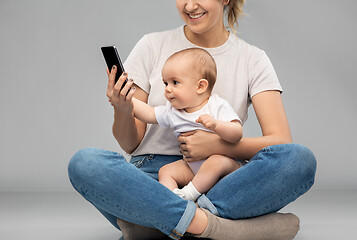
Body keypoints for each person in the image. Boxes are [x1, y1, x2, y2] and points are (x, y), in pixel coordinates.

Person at [68, 0, 317, 240]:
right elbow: (130, 143)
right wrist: (122, 109)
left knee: (299, 160)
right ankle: (211, 226)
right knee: (85, 164)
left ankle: (159, 224)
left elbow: (280, 142)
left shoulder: (252, 59)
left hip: (223, 182)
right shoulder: (151, 45)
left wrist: (217, 146)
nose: (189, 6)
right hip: (154, 182)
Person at [129, 47, 244, 202]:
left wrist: (216, 125)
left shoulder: (216, 105)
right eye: (165, 83)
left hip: (226, 169)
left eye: (175, 82)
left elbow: (237, 133)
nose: (167, 89)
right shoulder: (173, 112)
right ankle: (174, 204)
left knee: (215, 161)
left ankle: (189, 195)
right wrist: (126, 100)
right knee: (166, 171)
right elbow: (148, 113)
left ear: (200, 86)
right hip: (194, 170)